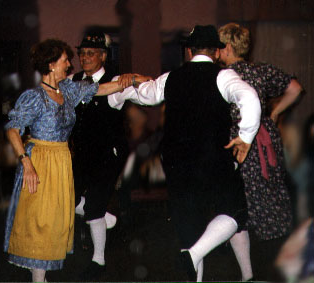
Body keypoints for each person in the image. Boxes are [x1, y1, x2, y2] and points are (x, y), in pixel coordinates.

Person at [108, 25, 261, 282]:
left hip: (177, 161)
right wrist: (245, 136)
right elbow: (250, 97)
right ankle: (194, 254)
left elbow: (144, 94)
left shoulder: (171, 78)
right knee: (235, 212)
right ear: (216, 50)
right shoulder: (223, 76)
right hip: (212, 157)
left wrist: (118, 86)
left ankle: (192, 256)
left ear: (189, 50)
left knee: (189, 227)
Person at [3, 38, 146, 282]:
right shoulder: (34, 96)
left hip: (61, 160)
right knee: (41, 224)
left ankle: (43, 275)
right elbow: (13, 129)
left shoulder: (68, 90)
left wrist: (131, 79)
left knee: (56, 218)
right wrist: (26, 162)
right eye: (64, 60)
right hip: (39, 161)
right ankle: (39, 279)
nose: (70, 65)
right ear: (50, 65)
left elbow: (101, 89)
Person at [218, 22, 303, 280]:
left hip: (239, 139)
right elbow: (295, 88)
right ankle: (278, 262)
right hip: (265, 138)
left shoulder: (222, 76)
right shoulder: (261, 69)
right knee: (268, 195)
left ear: (229, 48)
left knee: (237, 200)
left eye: (219, 46)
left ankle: (248, 268)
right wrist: (274, 113)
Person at [69, 33, 141, 280]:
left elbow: (141, 91)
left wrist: (138, 81)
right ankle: (106, 217)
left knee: (95, 205)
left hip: (109, 153)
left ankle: (98, 261)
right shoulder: (73, 80)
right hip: (82, 153)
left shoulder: (116, 83)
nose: (85, 57)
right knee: (67, 199)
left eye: (91, 53)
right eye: (82, 53)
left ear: (103, 56)